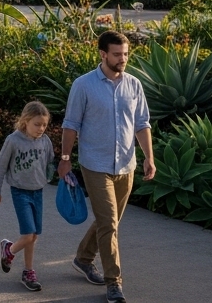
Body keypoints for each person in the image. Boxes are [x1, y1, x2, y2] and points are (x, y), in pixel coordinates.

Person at [58, 30, 154, 303]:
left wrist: (149, 157)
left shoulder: (134, 84)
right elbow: (71, 124)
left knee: (107, 222)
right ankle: (114, 283)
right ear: (102, 54)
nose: (122, 59)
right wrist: (65, 159)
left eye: (125, 54)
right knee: (110, 223)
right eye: (117, 54)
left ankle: (83, 258)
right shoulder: (84, 85)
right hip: (95, 164)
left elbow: (142, 123)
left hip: (126, 164)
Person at [0, 101, 55, 292]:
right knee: (28, 234)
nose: (41, 128)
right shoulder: (14, 140)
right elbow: (0, 166)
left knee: (34, 236)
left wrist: (57, 176)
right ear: (25, 121)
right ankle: (9, 251)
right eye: (37, 124)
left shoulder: (45, 141)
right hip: (20, 191)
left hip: (38, 191)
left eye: (44, 125)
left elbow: (50, 162)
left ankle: (28, 271)